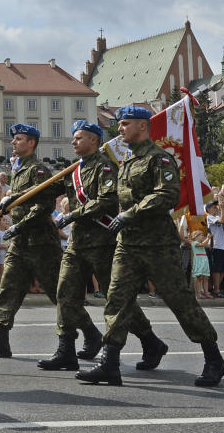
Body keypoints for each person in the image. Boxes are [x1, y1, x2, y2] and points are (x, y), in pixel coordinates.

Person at [77, 105, 224, 387]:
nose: (119, 129)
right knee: (117, 301)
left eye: (125, 124)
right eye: (119, 124)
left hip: (158, 245)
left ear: (143, 126)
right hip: (128, 244)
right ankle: (109, 363)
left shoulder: (160, 160)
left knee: (180, 302)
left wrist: (129, 213)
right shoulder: (128, 162)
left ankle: (214, 359)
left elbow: (167, 195)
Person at [40, 120, 158, 372]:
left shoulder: (104, 166)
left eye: (79, 137)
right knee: (65, 293)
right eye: (73, 138)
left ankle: (150, 340)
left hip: (102, 242)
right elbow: (48, 191)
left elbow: (106, 201)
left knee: (114, 299)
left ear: (94, 140)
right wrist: (14, 198)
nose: (73, 141)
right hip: (77, 243)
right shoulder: (74, 169)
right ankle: (66, 351)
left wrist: (73, 214)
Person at [0, 123, 66, 359]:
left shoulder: (38, 170)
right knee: (9, 288)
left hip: (41, 243)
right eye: (14, 139)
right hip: (20, 242)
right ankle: (0, 339)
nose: (14, 142)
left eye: (19, 139)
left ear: (31, 143)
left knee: (59, 293)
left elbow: (43, 206)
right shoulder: (19, 169)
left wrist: (18, 226)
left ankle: (85, 335)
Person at [205, 199, 224, 297]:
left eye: (216, 207)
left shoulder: (218, 216)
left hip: (221, 246)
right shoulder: (210, 217)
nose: (216, 208)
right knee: (216, 269)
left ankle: (217, 288)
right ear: (208, 209)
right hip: (215, 246)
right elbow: (222, 221)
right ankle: (216, 290)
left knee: (222, 269)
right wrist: (222, 209)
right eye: (213, 207)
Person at [190, 230, 213, 299]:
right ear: (196, 236)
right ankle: (198, 294)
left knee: (206, 277)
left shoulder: (202, 242)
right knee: (199, 278)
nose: (203, 236)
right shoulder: (194, 243)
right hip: (199, 261)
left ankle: (206, 293)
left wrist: (211, 238)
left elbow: (210, 246)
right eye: (201, 235)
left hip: (204, 261)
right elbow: (202, 245)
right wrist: (208, 238)